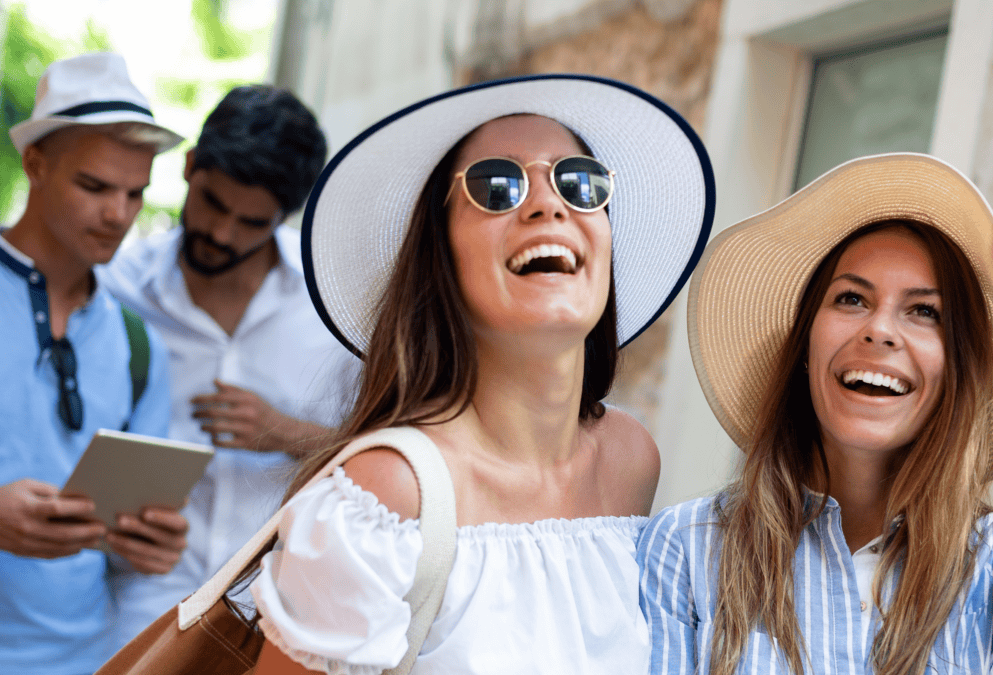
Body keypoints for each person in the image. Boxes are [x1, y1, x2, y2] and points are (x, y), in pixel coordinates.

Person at [246, 74, 715, 673]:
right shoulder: (384, 494)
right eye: (498, 186)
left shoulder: (630, 459)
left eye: (579, 183)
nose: (548, 204)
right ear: (439, 253)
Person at [638, 152, 993, 674]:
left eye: (924, 311)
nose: (879, 329)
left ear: (959, 369)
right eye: (851, 299)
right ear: (806, 347)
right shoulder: (688, 547)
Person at [0, 53, 189, 674]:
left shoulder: (137, 344)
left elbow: (123, 530)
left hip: (80, 659)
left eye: (136, 194)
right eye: (95, 186)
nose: (119, 215)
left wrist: (150, 544)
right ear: (35, 164)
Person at [97, 85, 360, 645]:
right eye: (213, 203)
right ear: (190, 166)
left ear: (283, 217)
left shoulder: (335, 309)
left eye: (251, 223)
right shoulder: (115, 289)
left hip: (283, 614)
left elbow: (394, 451)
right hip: (135, 607)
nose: (221, 233)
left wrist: (287, 433)